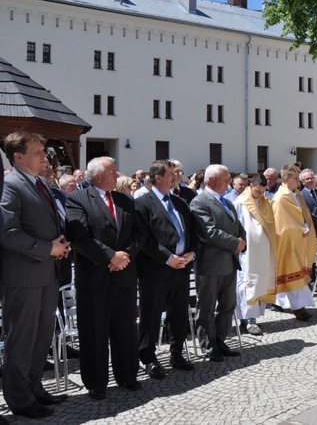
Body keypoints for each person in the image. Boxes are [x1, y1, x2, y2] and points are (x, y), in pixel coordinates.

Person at [0, 131, 70, 418]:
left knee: (42, 336)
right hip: (23, 277)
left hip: (46, 274)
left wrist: (60, 245)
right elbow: (7, 232)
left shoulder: (39, 183)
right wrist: (47, 248)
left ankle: (33, 387)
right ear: (18, 156)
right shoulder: (10, 185)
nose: (45, 155)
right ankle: (18, 398)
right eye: (38, 151)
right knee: (22, 338)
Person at [66, 156, 147, 400]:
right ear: (98, 176)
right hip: (94, 277)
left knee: (125, 329)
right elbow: (80, 237)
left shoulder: (125, 200)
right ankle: (96, 382)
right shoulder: (77, 199)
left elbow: (140, 233)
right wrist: (110, 257)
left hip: (124, 275)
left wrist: (125, 257)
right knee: (94, 331)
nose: (117, 174)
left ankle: (127, 375)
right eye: (112, 171)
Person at [134, 160, 198, 379]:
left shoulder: (180, 203)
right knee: (151, 315)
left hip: (181, 268)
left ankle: (177, 353)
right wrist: (168, 258)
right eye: (171, 173)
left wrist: (191, 254)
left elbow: (192, 234)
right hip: (156, 270)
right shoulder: (143, 203)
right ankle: (149, 358)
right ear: (158, 177)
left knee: (178, 313)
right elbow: (144, 239)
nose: (176, 176)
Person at [189, 164, 246, 362]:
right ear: (211, 180)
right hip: (210, 264)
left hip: (229, 262)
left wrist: (242, 241)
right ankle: (208, 345)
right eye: (225, 178)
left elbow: (237, 226)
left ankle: (220, 340)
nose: (229, 182)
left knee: (228, 305)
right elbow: (208, 232)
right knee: (206, 307)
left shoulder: (227, 202)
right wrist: (235, 243)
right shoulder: (199, 202)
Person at [271, 164, 317, 321]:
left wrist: (305, 227)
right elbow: (280, 224)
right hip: (289, 242)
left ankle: (280, 303)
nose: (299, 181)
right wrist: (299, 230)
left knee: (295, 272)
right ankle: (299, 309)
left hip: (301, 240)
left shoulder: (296, 194)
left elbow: (304, 215)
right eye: (296, 178)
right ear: (286, 179)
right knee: (292, 273)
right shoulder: (280, 198)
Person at [234, 173, 277, 336]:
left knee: (261, 281)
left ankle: (255, 317)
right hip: (248, 252)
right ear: (251, 186)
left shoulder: (265, 202)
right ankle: (247, 320)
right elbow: (235, 225)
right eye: (258, 191)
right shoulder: (240, 203)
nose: (260, 194)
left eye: (263, 192)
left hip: (264, 251)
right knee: (248, 283)